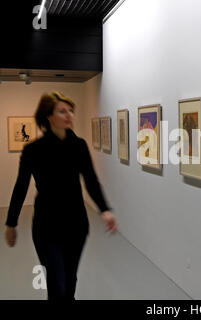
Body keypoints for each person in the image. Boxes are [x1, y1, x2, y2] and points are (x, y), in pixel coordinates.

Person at [4, 92, 118, 300]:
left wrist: (105, 210)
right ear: (49, 116)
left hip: (76, 224)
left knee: (69, 279)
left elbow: (91, 181)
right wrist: (11, 223)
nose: (69, 115)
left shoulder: (79, 146)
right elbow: (21, 186)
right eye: (62, 111)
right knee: (57, 284)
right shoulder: (33, 150)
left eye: (71, 111)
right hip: (47, 226)